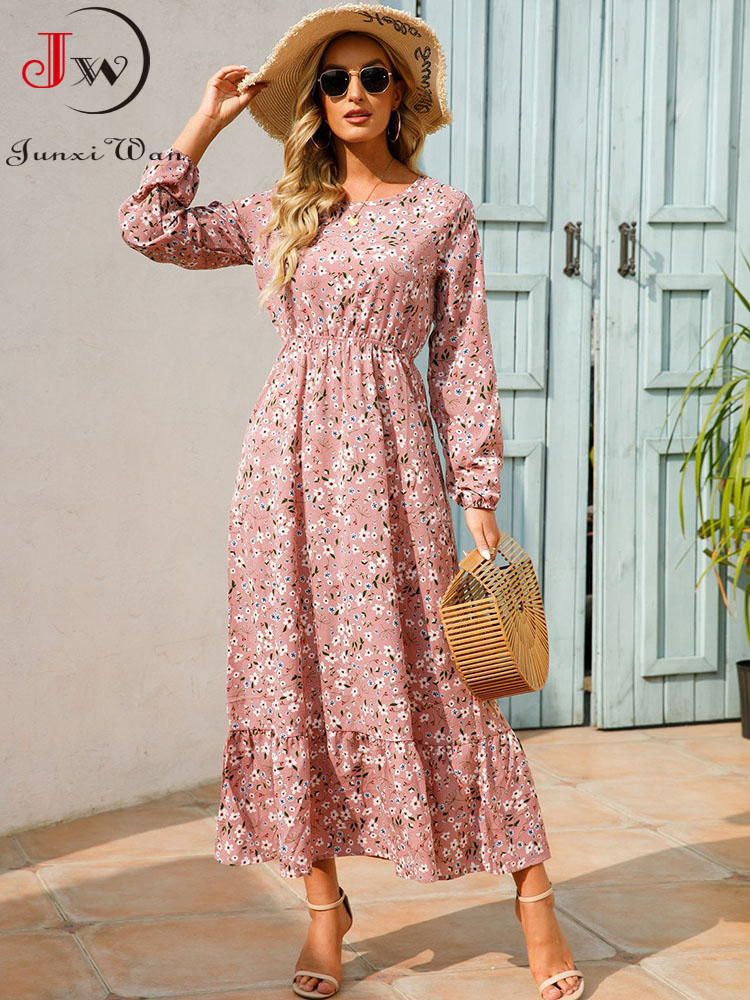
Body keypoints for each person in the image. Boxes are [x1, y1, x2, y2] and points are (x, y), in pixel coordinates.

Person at [117, 5, 584, 1000]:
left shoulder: (441, 212)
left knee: (444, 678)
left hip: (394, 468)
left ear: (400, 92)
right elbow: (148, 228)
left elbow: (462, 357)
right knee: (290, 678)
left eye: (374, 76)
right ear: (315, 101)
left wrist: (478, 489)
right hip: (282, 470)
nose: (356, 93)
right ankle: (324, 910)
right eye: (335, 80)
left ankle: (535, 898)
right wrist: (203, 123)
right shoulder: (282, 208)